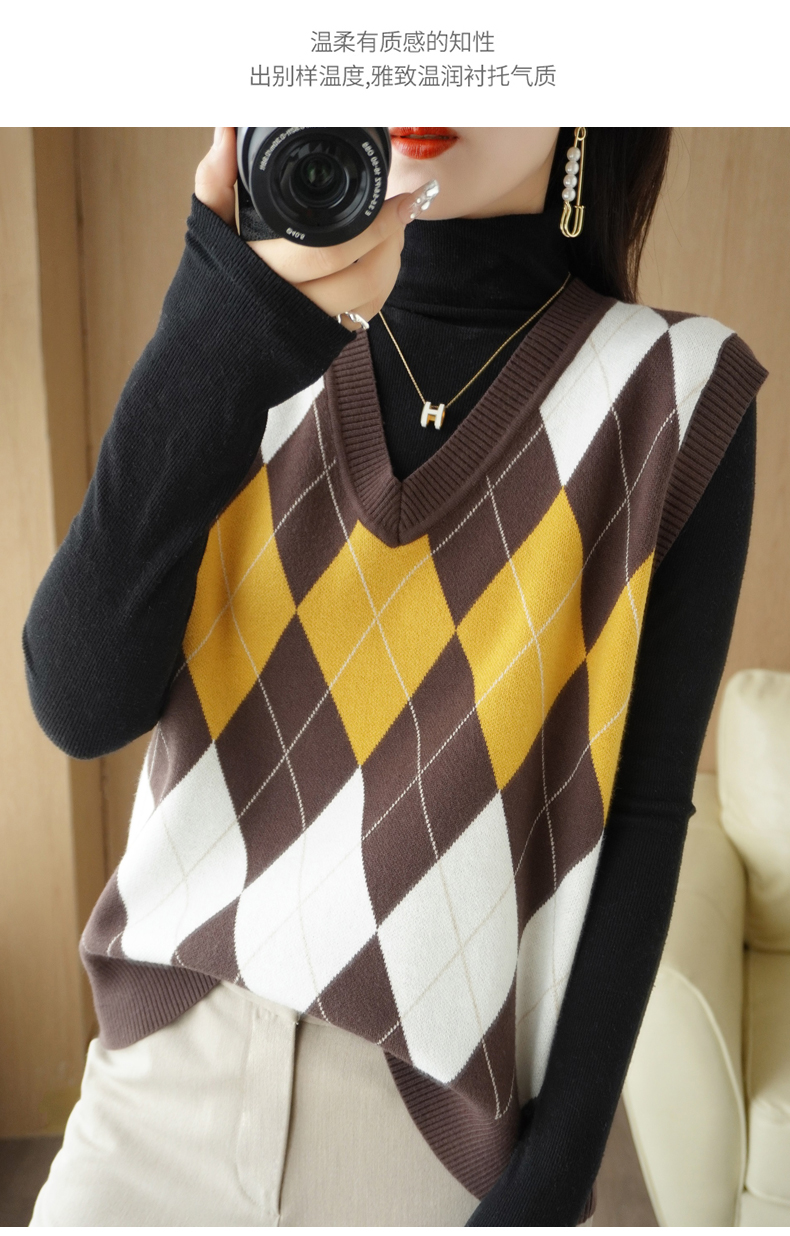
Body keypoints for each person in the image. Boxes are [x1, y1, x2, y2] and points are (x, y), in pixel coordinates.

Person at [25, 127, 766, 1226]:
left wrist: (550, 1186)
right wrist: (216, 322)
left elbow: (645, 816)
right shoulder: (254, 328)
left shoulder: (671, 390)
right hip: (160, 1080)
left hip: (421, 1131)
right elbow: (80, 705)